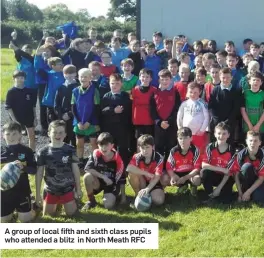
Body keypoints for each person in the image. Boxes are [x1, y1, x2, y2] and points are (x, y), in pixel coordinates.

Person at [36, 120, 82, 216]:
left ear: (65, 134)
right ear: (49, 133)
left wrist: (78, 189)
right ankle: (56, 202)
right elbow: (39, 173)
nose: (58, 135)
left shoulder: (70, 149)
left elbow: (76, 170)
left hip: (67, 188)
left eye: (61, 132)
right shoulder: (43, 152)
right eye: (54, 132)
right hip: (51, 189)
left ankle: (71, 199)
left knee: (71, 214)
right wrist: (37, 195)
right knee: (48, 215)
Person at [101, 73, 132, 203]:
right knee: (111, 155)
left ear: (122, 84)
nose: (115, 86)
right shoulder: (106, 96)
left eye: (117, 83)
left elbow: (130, 111)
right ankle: (112, 181)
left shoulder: (125, 96)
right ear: (109, 84)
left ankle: (123, 178)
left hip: (123, 131)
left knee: (123, 154)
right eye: (112, 83)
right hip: (110, 131)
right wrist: (113, 110)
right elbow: (102, 111)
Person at [1, 122, 37, 222]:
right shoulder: (0, 151)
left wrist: (23, 168)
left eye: (14, 134)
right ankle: (11, 212)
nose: (11, 137)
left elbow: (34, 170)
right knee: (3, 222)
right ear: (3, 135)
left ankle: (32, 206)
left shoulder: (27, 151)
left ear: (20, 134)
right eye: (8, 134)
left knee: (25, 221)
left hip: (22, 192)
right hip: (3, 193)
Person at [83, 132, 124, 209]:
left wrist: (123, 197)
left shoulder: (118, 159)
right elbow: (88, 169)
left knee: (108, 205)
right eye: (101, 145)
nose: (103, 148)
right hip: (98, 182)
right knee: (87, 177)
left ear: (112, 145)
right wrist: (103, 177)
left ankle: (114, 196)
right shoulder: (96, 154)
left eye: (106, 145)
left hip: (111, 184)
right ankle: (91, 201)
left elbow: (122, 179)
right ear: (98, 145)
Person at [150, 69, 181, 164]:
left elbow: (177, 109)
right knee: (159, 147)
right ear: (159, 80)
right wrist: (159, 122)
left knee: (170, 146)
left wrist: (169, 121)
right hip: (159, 125)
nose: (164, 81)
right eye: (162, 79)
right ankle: (159, 167)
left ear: (171, 80)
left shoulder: (175, 92)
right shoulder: (154, 93)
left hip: (171, 125)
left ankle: (169, 167)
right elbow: (152, 110)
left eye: (167, 79)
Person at [71, 68, 100, 166]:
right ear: (78, 78)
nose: (83, 78)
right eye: (81, 77)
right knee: (79, 143)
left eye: (85, 76)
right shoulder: (75, 91)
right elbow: (73, 107)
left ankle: (94, 161)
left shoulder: (94, 90)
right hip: (79, 122)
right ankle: (80, 160)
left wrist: (89, 121)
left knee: (93, 143)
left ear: (90, 78)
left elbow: (96, 108)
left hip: (91, 122)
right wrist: (78, 121)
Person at [201, 122, 235, 203]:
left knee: (226, 201)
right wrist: (221, 169)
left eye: (224, 134)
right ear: (215, 134)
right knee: (205, 172)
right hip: (214, 175)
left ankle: (218, 194)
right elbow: (203, 165)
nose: (221, 136)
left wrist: (219, 188)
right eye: (219, 133)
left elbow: (228, 172)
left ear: (228, 135)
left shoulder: (231, 150)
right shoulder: (210, 147)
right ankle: (210, 195)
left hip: (225, 178)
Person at [127, 134, 165, 206]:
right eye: (142, 147)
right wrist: (146, 173)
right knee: (132, 173)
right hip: (142, 181)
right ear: (139, 147)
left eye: (147, 147)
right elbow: (129, 168)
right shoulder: (137, 156)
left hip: (154, 182)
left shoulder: (159, 158)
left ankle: (149, 195)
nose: (145, 150)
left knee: (159, 201)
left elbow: (157, 177)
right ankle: (137, 195)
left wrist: (147, 189)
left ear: (153, 147)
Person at [163, 127, 201, 195]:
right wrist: (172, 176)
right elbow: (169, 166)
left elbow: (197, 168)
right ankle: (183, 186)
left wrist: (185, 177)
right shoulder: (174, 151)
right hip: (178, 173)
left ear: (191, 138)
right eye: (180, 138)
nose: (183, 141)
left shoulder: (195, 150)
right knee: (165, 178)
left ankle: (193, 186)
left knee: (197, 179)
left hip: (190, 173)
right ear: (177, 139)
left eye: (186, 138)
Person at [5, 70, 37, 151]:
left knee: (32, 136)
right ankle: (18, 155)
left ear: (25, 79)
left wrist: (35, 117)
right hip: (16, 117)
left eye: (22, 77)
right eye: (17, 77)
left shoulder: (30, 91)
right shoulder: (11, 92)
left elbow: (33, 106)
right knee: (17, 138)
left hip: (29, 116)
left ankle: (31, 154)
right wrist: (14, 120)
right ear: (14, 79)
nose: (20, 79)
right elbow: (8, 107)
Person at [229, 131, 264, 203]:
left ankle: (250, 193)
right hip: (246, 180)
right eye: (250, 140)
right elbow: (236, 175)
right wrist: (240, 193)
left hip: (259, 181)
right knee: (247, 167)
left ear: (260, 143)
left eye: (255, 141)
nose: (253, 143)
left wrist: (248, 192)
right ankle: (244, 191)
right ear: (246, 141)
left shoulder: (263, 155)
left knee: (259, 199)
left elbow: (261, 178)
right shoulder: (240, 155)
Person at [208, 67, 241, 143]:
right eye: (223, 77)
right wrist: (217, 120)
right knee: (215, 144)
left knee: (229, 145)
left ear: (231, 78)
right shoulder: (215, 90)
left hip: (230, 123)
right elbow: (211, 106)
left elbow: (236, 108)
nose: (225, 80)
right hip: (216, 123)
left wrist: (227, 122)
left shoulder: (236, 91)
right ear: (219, 77)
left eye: (228, 77)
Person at [177, 82, 209, 153]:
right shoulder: (184, 103)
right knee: (187, 150)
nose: (193, 94)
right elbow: (179, 116)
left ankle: (198, 163)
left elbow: (207, 117)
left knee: (199, 151)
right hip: (186, 133)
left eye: (195, 92)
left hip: (198, 133)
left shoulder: (203, 103)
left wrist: (202, 130)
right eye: (190, 92)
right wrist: (180, 127)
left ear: (200, 92)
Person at [54, 64, 79, 146]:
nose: (69, 75)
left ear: (75, 74)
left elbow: (79, 104)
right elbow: (56, 104)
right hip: (63, 118)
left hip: (75, 117)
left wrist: (69, 114)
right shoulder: (61, 87)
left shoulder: (78, 87)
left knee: (75, 139)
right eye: (66, 73)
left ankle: (76, 157)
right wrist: (61, 115)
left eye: (71, 73)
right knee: (64, 138)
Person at [132, 68, 157, 138]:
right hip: (138, 121)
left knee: (149, 141)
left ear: (151, 79)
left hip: (149, 120)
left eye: (147, 77)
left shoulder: (154, 90)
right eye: (143, 76)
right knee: (139, 142)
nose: (145, 79)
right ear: (139, 77)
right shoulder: (134, 90)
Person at [241, 71, 264, 141]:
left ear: (261, 83)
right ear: (249, 81)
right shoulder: (244, 93)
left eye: (258, 80)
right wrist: (249, 125)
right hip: (247, 126)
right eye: (254, 80)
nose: (256, 82)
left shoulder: (263, 94)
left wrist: (258, 125)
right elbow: (242, 110)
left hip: (260, 126)